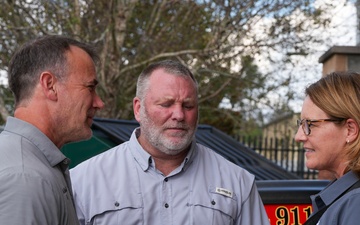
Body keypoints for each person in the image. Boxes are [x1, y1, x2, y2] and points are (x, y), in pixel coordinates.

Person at [70, 59, 269, 225]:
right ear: (138, 109)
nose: (179, 115)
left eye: (188, 105)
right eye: (166, 104)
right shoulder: (84, 181)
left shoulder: (238, 183)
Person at [0, 35, 104, 225]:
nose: (99, 103)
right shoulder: (25, 178)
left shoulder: (32, 165)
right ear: (50, 85)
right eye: (90, 88)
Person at [295, 71, 360, 224]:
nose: (298, 136)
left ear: (350, 130)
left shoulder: (355, 202)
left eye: (309, 124)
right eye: (301, 124)